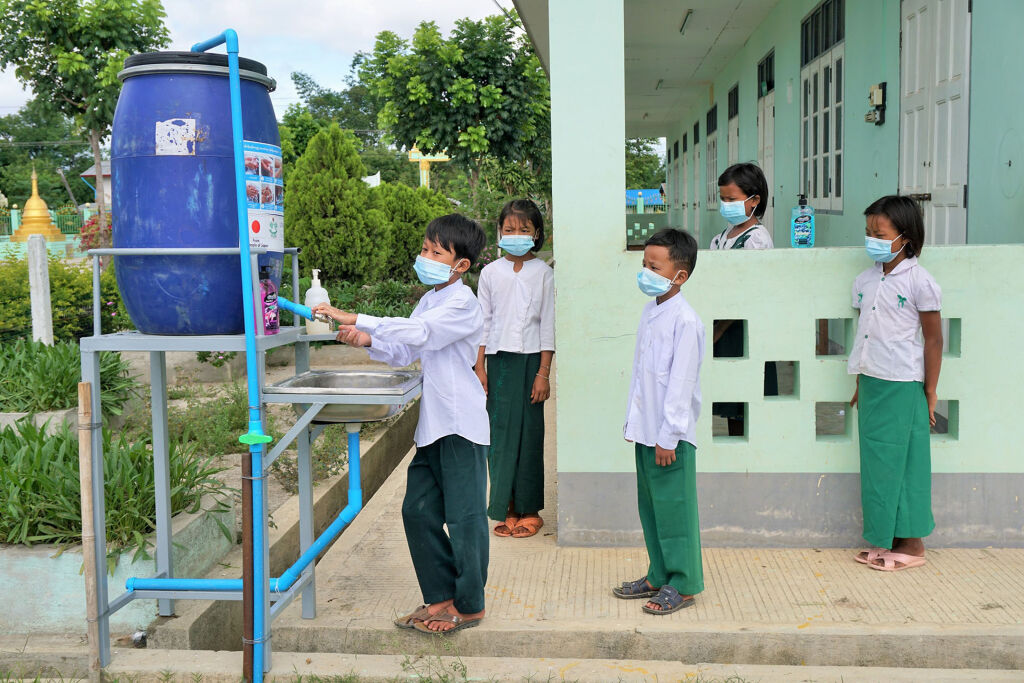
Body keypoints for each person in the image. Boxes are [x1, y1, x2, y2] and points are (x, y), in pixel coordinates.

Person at [313, 214, 490, 633]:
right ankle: (440, 597)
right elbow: (405, 348)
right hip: (433, 425)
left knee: (465, 520)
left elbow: (423, 333)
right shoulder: (430, 299)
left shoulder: (463, 304)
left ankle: (470, 605)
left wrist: (355, 316)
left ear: (460, 265)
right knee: (417, 511)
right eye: (425, 249)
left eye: (435, 252)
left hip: (461, 425)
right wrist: (368, 339)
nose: (425, 257)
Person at [612, 228, 704, 615]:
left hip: (671, 438)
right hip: (647, 431)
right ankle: (658, 573)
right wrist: (637, 426)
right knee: (650, 507)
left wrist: (668, 436)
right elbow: (643, 375)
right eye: (644, 264)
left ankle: (683, 584)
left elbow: (680, 386)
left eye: (654, 266)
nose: (645, 271)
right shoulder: (652, 310)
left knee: (675, 510)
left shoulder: (686, 321)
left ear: (678, 276)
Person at [849, 195, 942, 572]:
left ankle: (913, 544)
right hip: (871, 380)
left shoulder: (921, 282)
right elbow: (865, 333)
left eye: (880, 233)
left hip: (903, 381)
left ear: (905, 236)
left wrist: (930, 390)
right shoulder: (865, 280)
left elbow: (934, 340)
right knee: (876, 463)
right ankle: (884, 537)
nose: (871, 238)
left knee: (905, 462)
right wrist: (859, 379)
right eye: (868, 231)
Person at [474, 199, 555, 539]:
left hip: (531, 361)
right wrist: (479, 367)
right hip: (499, 362)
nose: (516, 235)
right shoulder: (490, 273)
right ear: (500, 232)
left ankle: (529, 508)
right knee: (500, 436)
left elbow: (548, 324)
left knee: (530, 435)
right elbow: (483, 322)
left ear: (537, 234)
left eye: (524, 230)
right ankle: (504, 506)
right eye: (509, 230)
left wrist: (543, 373)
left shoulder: (545, 274)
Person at [709, 162, 776, 435]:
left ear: (754, 200)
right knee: (729, 397)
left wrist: (718, 330)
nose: (726, 205)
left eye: (732, 199)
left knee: (745, 401)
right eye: (723, 199)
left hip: (739, 328)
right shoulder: (721, 238)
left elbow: (748, 295)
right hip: (721, 326)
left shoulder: (756, 240)